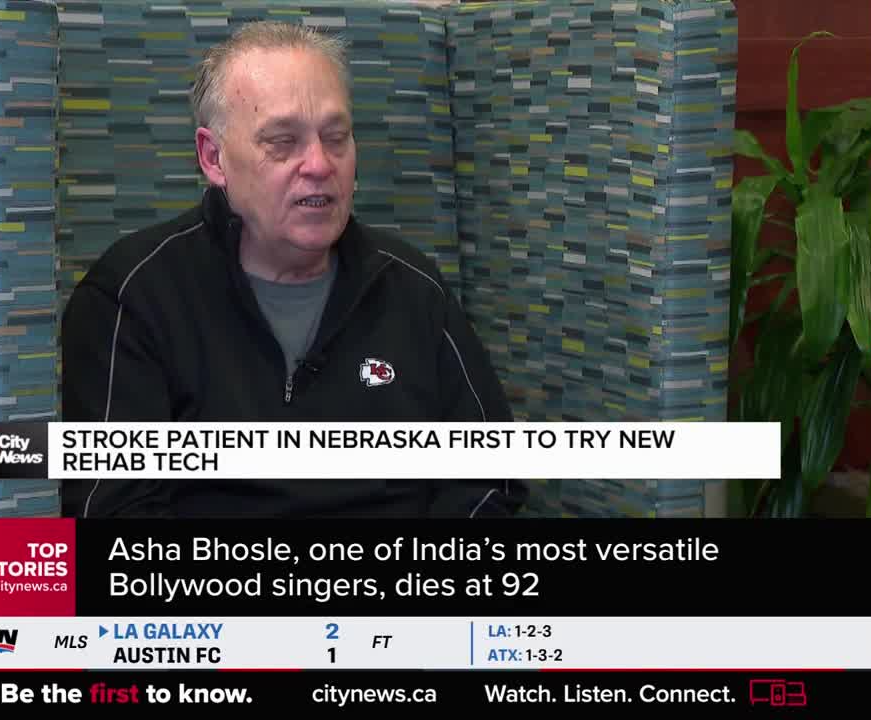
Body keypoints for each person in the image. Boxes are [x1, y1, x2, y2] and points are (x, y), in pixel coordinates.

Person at [59, 21, 525, 519]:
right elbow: (114, 510)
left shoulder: (413, 288)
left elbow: (489, 478)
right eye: (283, 142)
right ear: (213, 158)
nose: (320, 165)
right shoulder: (131, 298)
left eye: (336, 137)